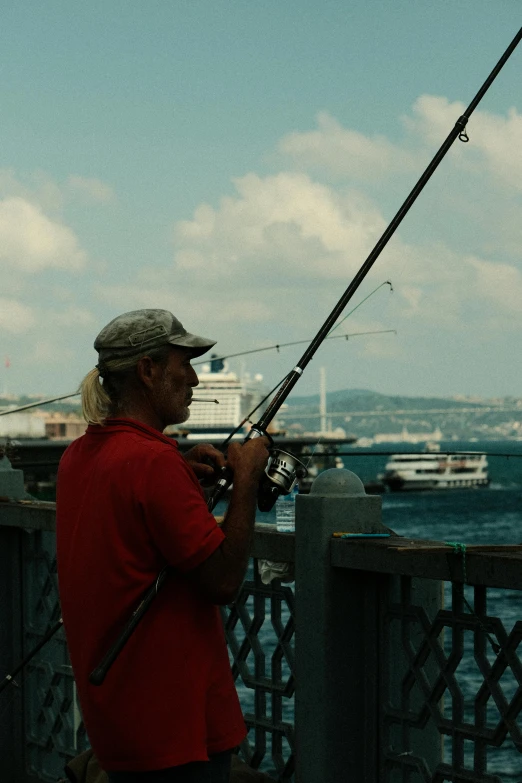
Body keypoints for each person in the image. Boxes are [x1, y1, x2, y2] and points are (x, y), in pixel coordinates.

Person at [56, 309, 270, 783]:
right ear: (148, 371)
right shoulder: (153, 463)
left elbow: (132, 523)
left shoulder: (78, 455)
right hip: (173, 726)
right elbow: (223, 579)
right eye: (184, 364)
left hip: (117, 717)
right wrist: (248, 482)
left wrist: (179, 471)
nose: (194, 378)